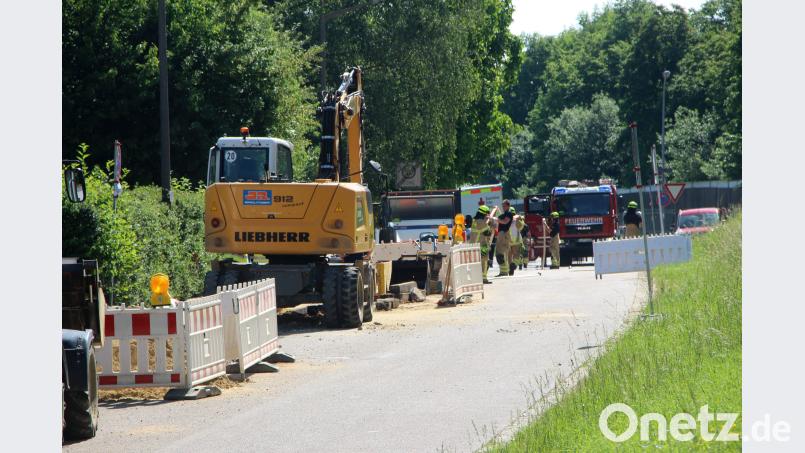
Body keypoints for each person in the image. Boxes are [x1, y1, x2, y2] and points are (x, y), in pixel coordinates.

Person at [469, 205, 497, 284]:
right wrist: (492, 226)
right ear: (484, 214)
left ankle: (475, 279)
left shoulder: (475, 221)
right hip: (481, 246)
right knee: (485, 262)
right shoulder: (481, 222)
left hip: (473, 246)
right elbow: (487, 233)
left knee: (475, 264)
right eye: (486, 214)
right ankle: (484, 278)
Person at [495, 200, 514, 277]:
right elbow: (500, 219)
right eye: (502, 206)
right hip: (501, 234)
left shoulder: (509, 214)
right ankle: (503, 271)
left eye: (504, 206)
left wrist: (496, 219)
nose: (503, 207)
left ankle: (504, 271)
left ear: (508, 206)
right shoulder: (504, 214)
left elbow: (505, 222)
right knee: (499, 253)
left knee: (501, 253)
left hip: (504, 234)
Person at [508, 207, 526, 275]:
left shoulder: (506, 220)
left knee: (509, 256)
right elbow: (522, 226)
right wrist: (520, 218)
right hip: (517, 241)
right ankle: (514, 265)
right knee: (517, 255)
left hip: (509, 241)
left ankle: (510, 268)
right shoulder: (518, 220)